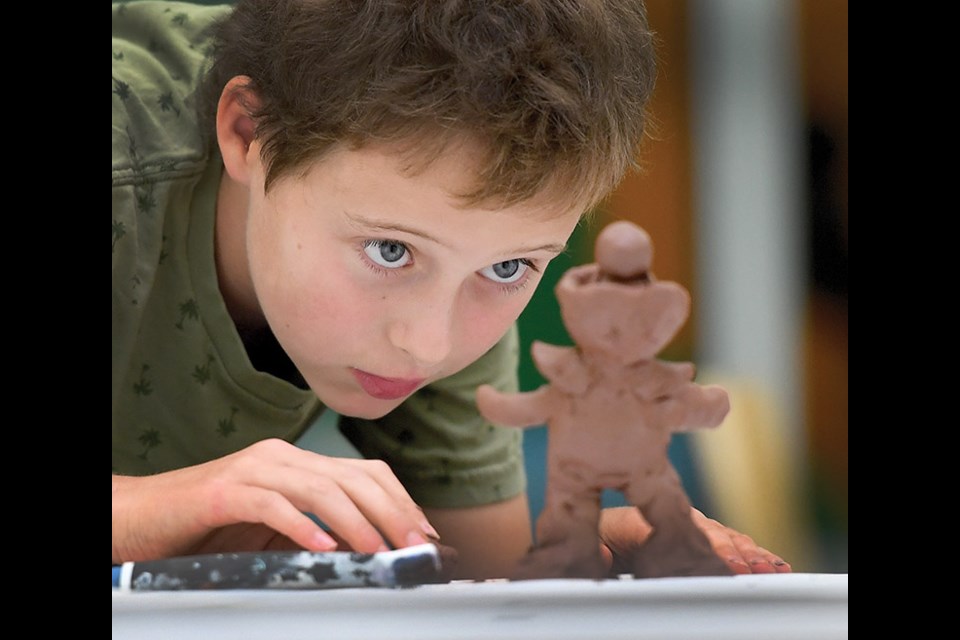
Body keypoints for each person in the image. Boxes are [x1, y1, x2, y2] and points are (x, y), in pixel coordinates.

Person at [112, 0, 791, 580]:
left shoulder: (453, 256)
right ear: (249, 132)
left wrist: (580, 566)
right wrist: (174, 506)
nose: (428, 344)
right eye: (389, 251)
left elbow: (478, 579)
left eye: (508, 269)